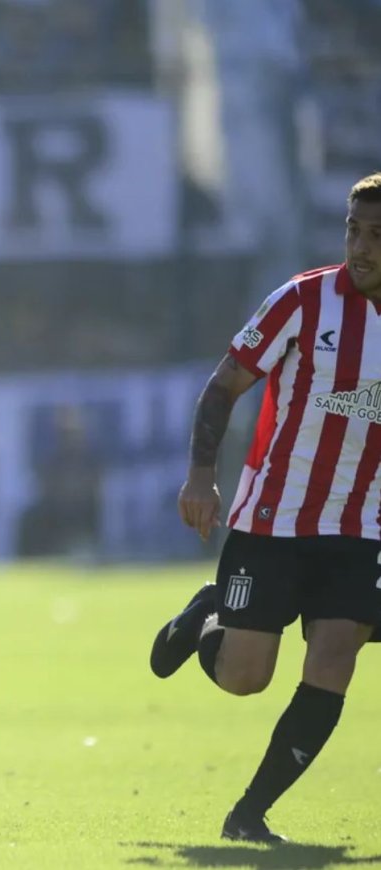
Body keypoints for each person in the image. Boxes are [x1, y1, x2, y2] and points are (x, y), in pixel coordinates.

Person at [147, 172, 381, 843]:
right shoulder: (305, 301)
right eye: (353, 231)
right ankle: (206, 615)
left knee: (336, 657)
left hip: (361, 525)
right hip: (272, 520)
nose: (360, 248)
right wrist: (200, 475)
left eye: (377, 236)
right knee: (246, 678)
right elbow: (224, 386)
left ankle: (249, 814)